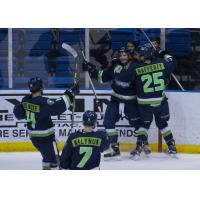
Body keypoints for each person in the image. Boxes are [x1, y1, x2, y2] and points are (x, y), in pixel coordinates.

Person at [82, 48, 142, 159]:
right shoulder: (115, 66)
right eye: (121, 55)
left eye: (125, 55)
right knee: (108, 122)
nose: (122, 57)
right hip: (115, 100)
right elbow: (101, 77)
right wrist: (91, 69)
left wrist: (115, 69)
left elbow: (126, 75)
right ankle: (114, 148)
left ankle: (140, 146)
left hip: (131, 102)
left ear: (130, 56)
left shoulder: (136, 66)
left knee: (137, 125)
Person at [13, 77, 79, 169]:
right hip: (46, 139)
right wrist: (70, 94)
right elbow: (58, 106)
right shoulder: (43, 102)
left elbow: (18, 113)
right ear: (41, 88)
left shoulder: (25, 100)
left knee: (47, 158)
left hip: (35, 139)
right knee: (56, 162)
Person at [130, 45, 177, 159]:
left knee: (144, 124)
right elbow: (173, 61)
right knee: (162, 124)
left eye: (140, 55)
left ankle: (138, 149)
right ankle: (172, 147)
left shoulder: (135, 67)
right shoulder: (161, 63)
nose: (138, 57)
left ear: (144, 55)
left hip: (145, 103)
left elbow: (126, 79)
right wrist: (163, 52)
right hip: (160, 101)